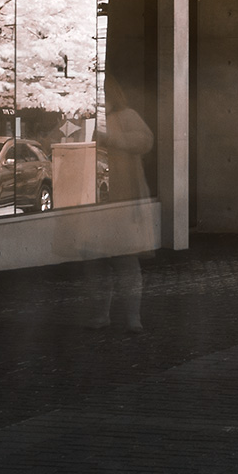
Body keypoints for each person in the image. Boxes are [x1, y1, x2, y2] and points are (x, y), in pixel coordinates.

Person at [88, 77, 152, 331]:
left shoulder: (127, 116)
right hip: (96, 200)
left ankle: (132, 316)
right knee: (98, 262)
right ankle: (101, 314)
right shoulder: (93, 118)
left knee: (125, 260)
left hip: (122, 200)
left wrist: (111, 139)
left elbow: (145, 141)